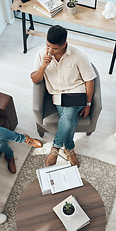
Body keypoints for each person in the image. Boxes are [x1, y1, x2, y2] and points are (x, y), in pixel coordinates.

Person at [30, 25, 96, 167]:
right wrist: (43, 66)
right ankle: (69, 148)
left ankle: (55, 148)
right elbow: (35, 80)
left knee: (69, 114)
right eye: (48, 46)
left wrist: (89, 104)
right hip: (58, 94)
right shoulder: (42, 55)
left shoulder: (78, 56)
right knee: (69, 118)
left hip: (77, 91)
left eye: (54, 49)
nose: (50, 50)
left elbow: (90, 80)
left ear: (64, 44)